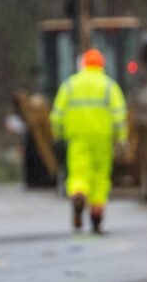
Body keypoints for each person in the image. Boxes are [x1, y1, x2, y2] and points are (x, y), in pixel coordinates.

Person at [50, 47, 129, 234]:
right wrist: (122, 139)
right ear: (102, 65)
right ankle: (96, 217)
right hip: (103, 140)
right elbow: (120, 115)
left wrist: (59, 135)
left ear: (82, 65)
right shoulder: (109, 86)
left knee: (79, 174)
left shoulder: (70, 85)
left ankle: (78, 195)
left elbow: (56, 115)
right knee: (100, 178)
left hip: (78, 139)